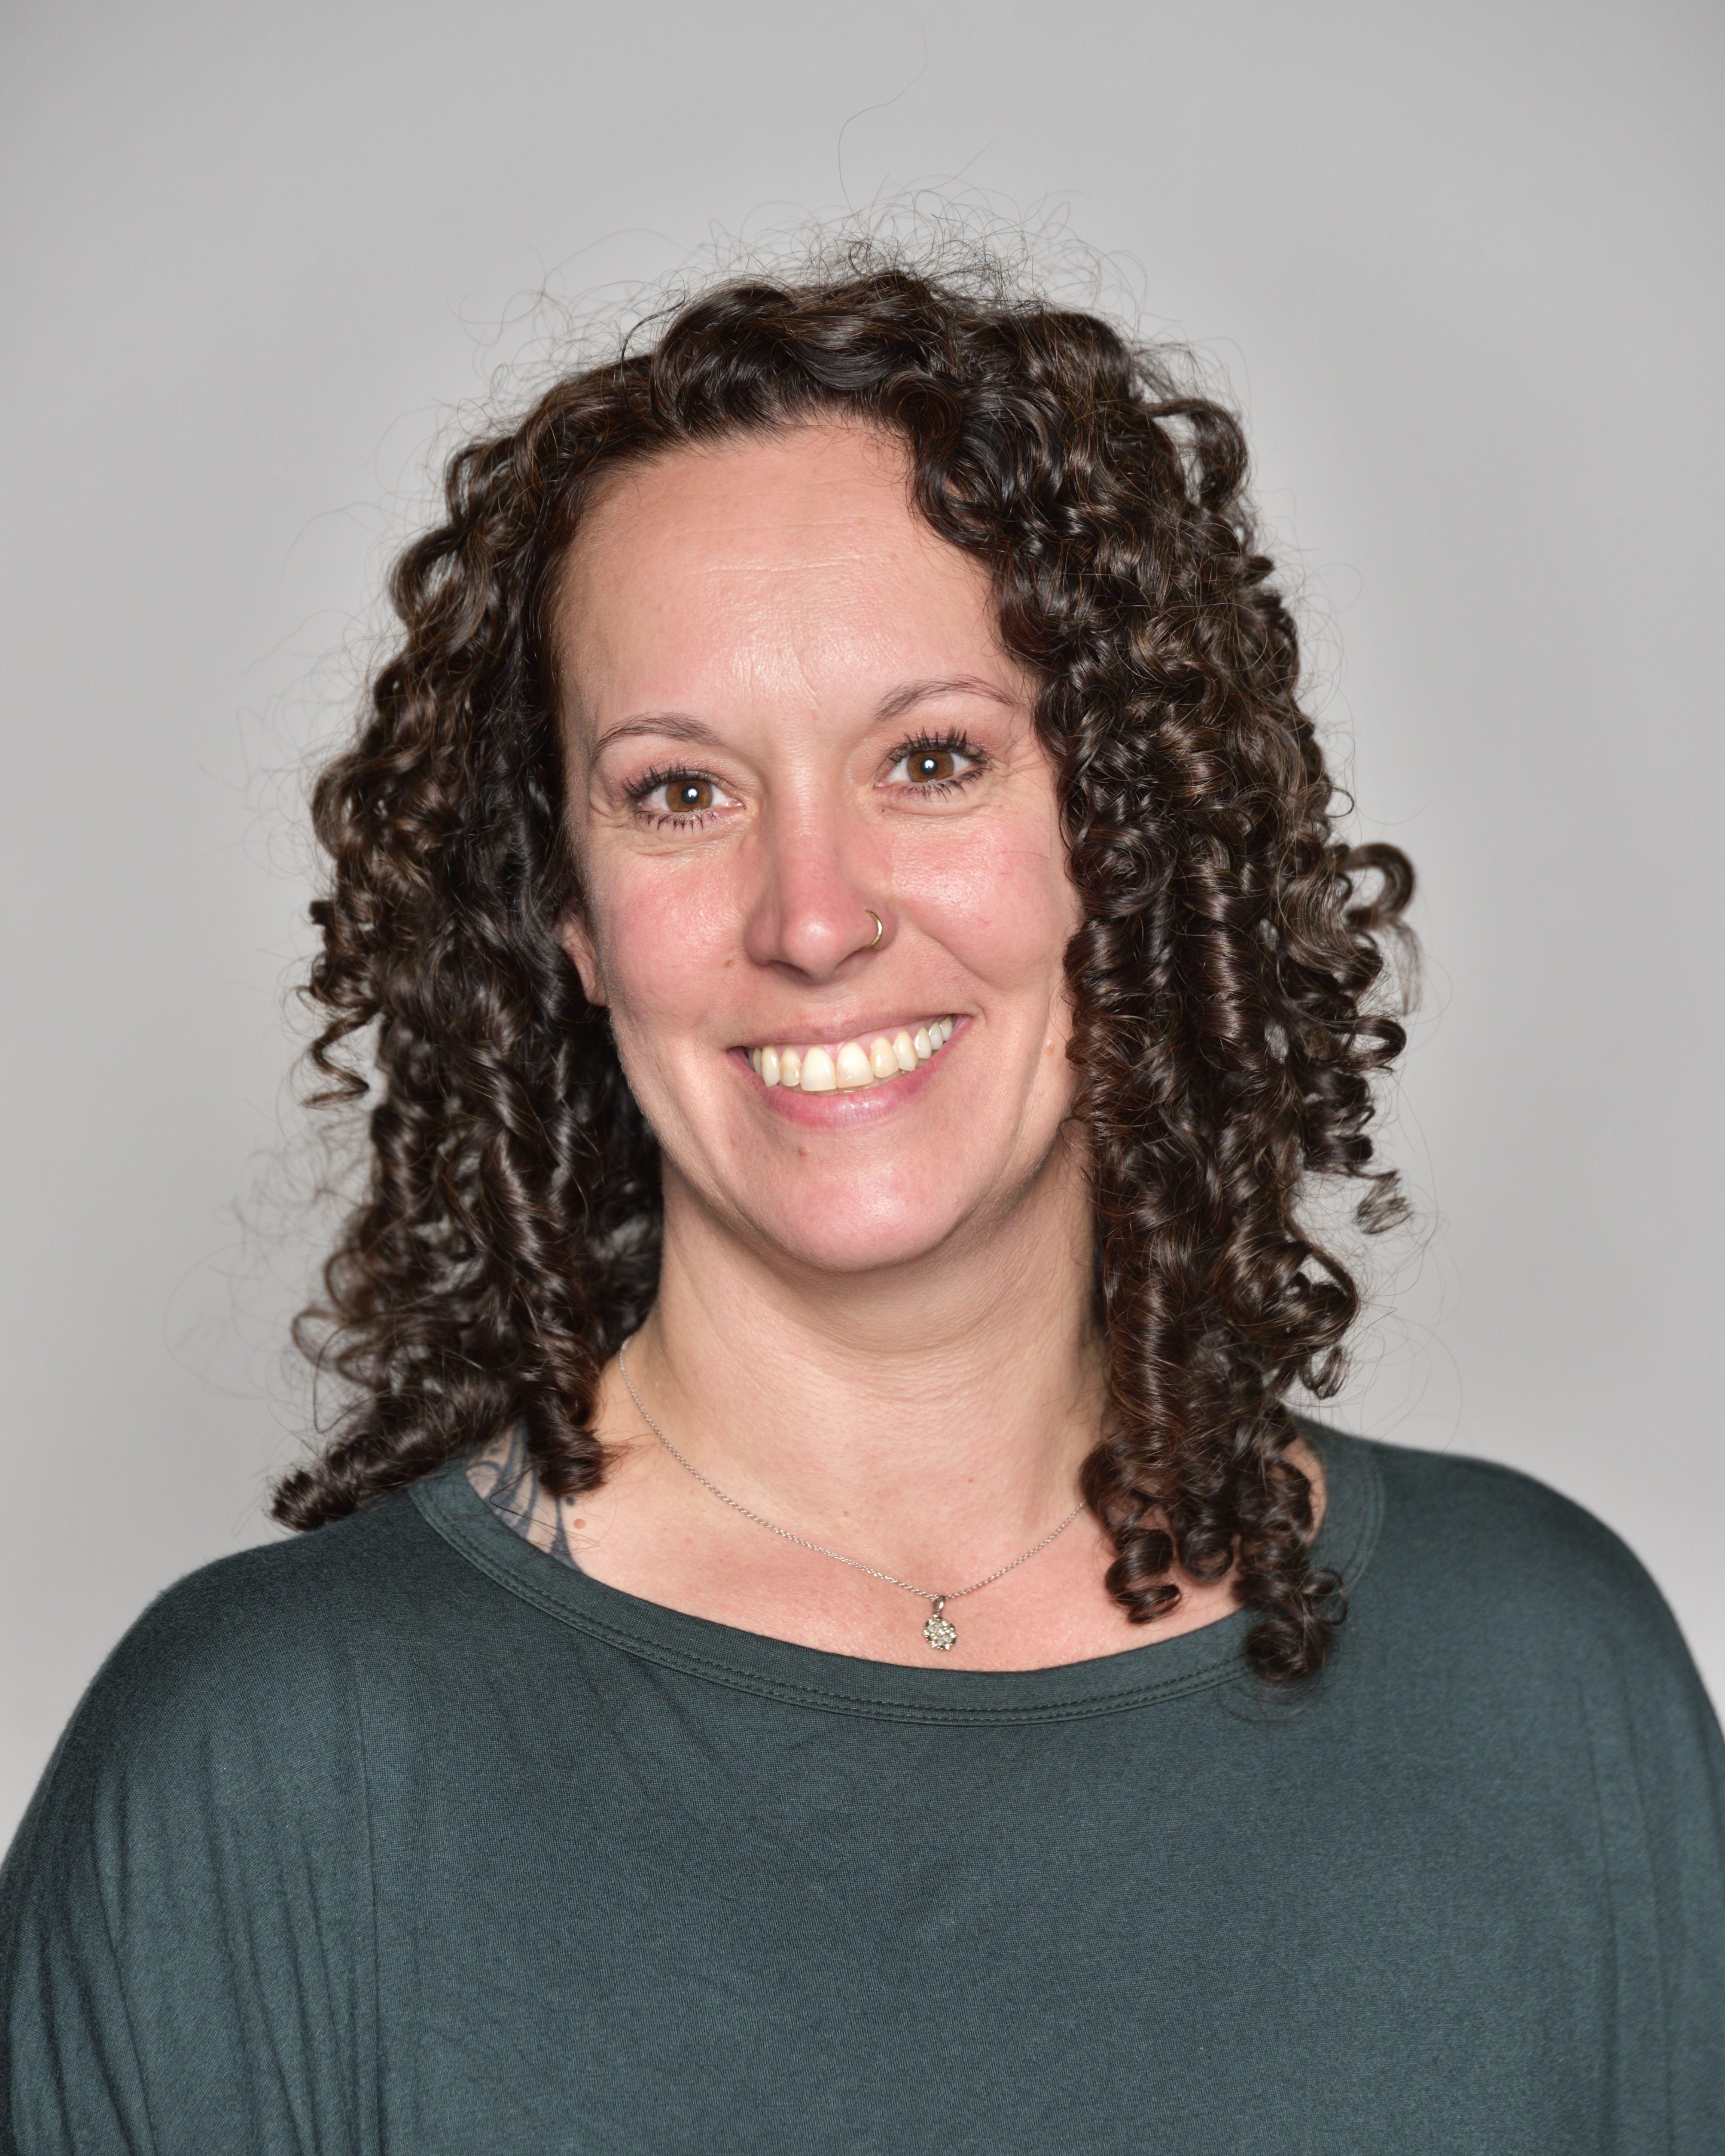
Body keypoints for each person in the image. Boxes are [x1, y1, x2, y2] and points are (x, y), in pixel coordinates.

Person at [3, 252, 1721, 2153]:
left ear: (1116, 835)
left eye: (931, 760)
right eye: (677, 793)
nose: (812, 918)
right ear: (563, 914)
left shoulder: (1542, 1679)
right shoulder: (260, 1773)